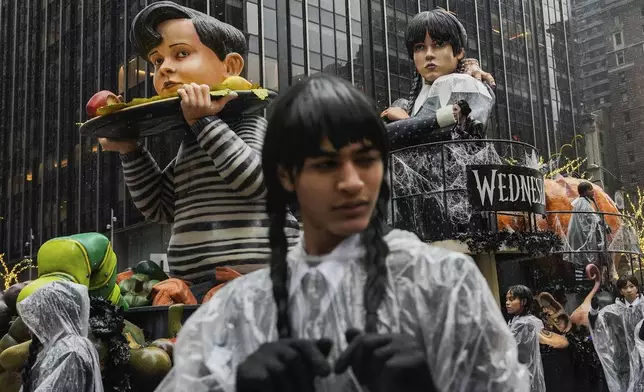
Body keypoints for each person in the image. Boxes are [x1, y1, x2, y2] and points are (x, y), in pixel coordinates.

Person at [155, 74, 528, 392]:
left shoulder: (446, 285)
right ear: (286, 176)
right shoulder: (238, 311)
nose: (352, 183)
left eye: (366, 160)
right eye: (326, 164)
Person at [97, 1, 299, 285]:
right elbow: (161, 207)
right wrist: (132, 151)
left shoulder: (250, 124)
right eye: (157, 61)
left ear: (230, 66)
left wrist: (204, 123)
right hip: (194, 289)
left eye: (181, 54)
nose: (165, 68)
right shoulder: (194, 140)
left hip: (263, 283)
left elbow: (256, 180)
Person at [381, 10, 495, 150]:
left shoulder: (466, 83)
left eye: (439, 44)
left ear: (459, 52)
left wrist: (406, 122)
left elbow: (464, 135)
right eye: (420, 47)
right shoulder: (406, 103)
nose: (429, 54)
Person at [18, 281, 103, 392]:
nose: (32, 327)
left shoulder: (71, 350)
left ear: (53, 315)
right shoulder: (61, 348)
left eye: (37, 316)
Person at [590, 275, 644, 392]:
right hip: (623, 359)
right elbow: (597, 323)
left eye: (632, 286)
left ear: (637, 288)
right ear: (620, 291)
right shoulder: (613, 311)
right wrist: (594, 309)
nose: (629, 290)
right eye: (625, 288)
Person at [506, 285, 546, 392]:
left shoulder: (522, 323)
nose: (507, 303)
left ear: (523, 302)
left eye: (512, 299)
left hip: (523, 371)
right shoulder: (525, 320)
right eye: (507, 299)